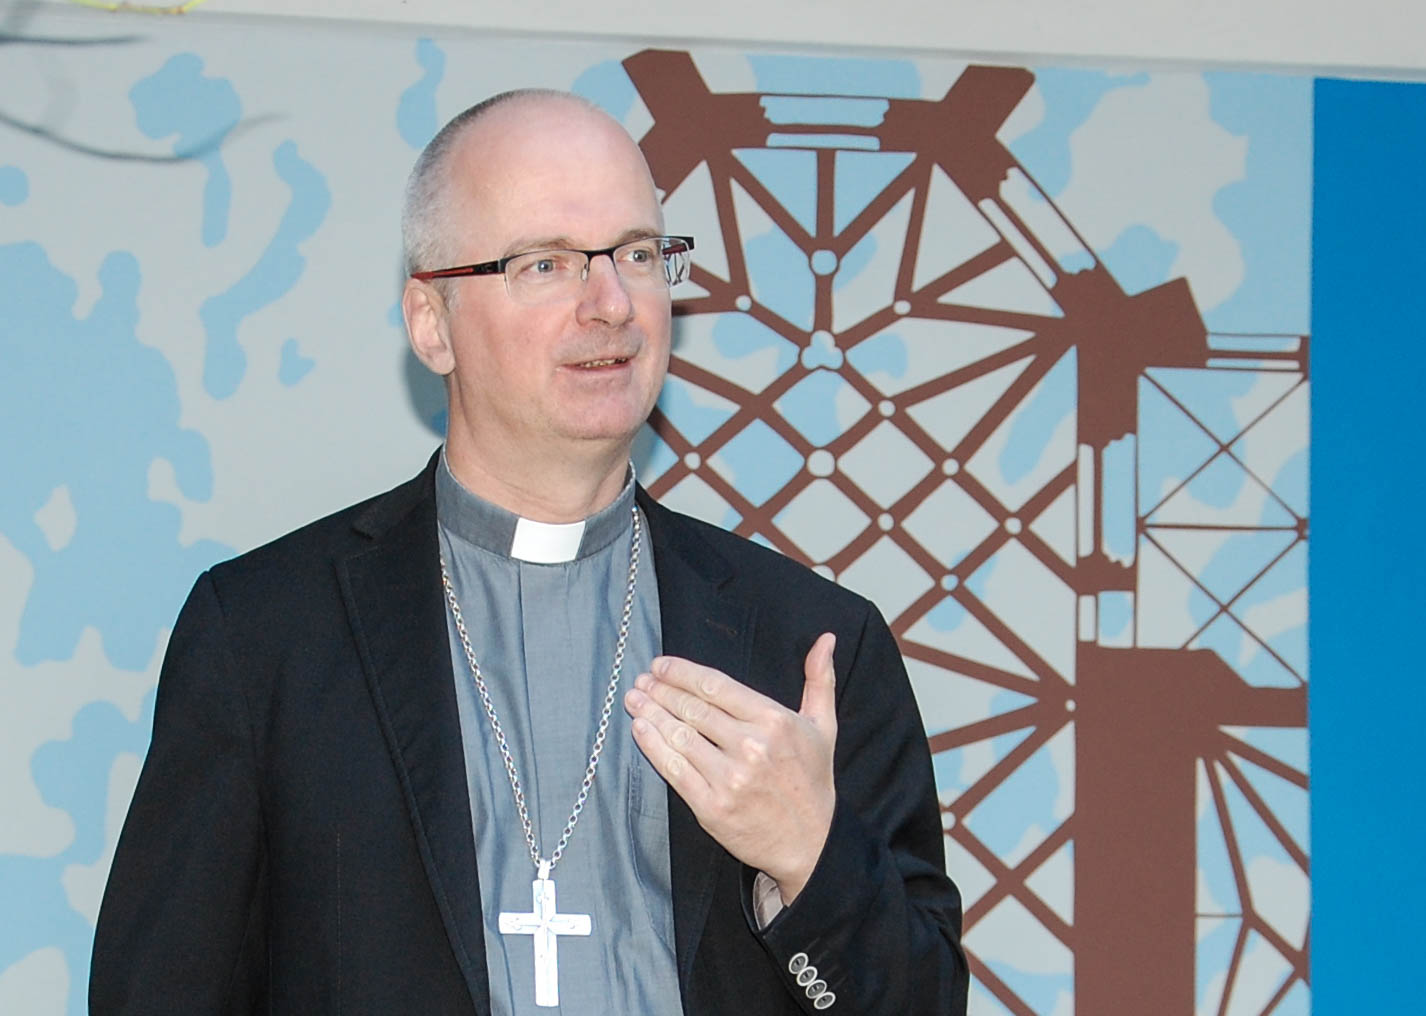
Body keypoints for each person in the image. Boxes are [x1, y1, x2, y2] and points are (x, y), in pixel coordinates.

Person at [89, 89, 966, 1015]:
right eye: (545, 263)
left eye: (636, 254)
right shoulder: (268, 636)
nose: (611, 303)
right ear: (432, 323)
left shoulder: (811, 645)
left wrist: (810, 858)